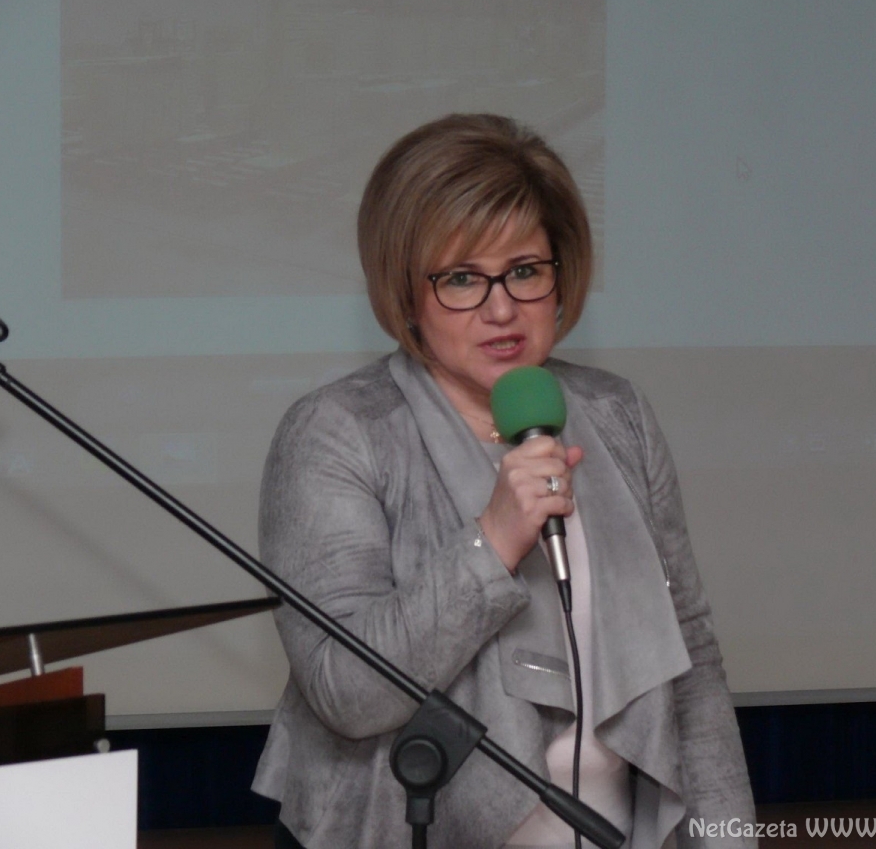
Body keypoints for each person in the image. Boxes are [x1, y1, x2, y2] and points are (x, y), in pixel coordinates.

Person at [252, 113, 756, 848]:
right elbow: (347, 693)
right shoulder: (338, 431)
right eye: (461, 278)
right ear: (405, 294)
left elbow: (692, 660)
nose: (500, 308)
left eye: (524, 271)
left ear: (560, 276)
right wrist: (490, 543)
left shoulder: (616, 414)